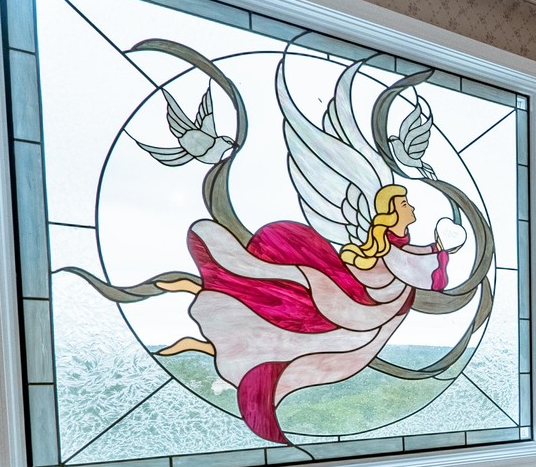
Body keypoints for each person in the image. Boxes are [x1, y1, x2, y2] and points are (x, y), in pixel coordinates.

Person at [154, 184, 448, 443]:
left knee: (320, 338)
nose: (412, 209)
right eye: (405, 204)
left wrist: (437, 249)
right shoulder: (391, 250)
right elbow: (417, 270)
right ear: (392, 213)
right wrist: (441, 253)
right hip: (357, 303)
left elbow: (414, 260)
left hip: (369, 305)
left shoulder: (397, 246)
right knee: (308, 318)